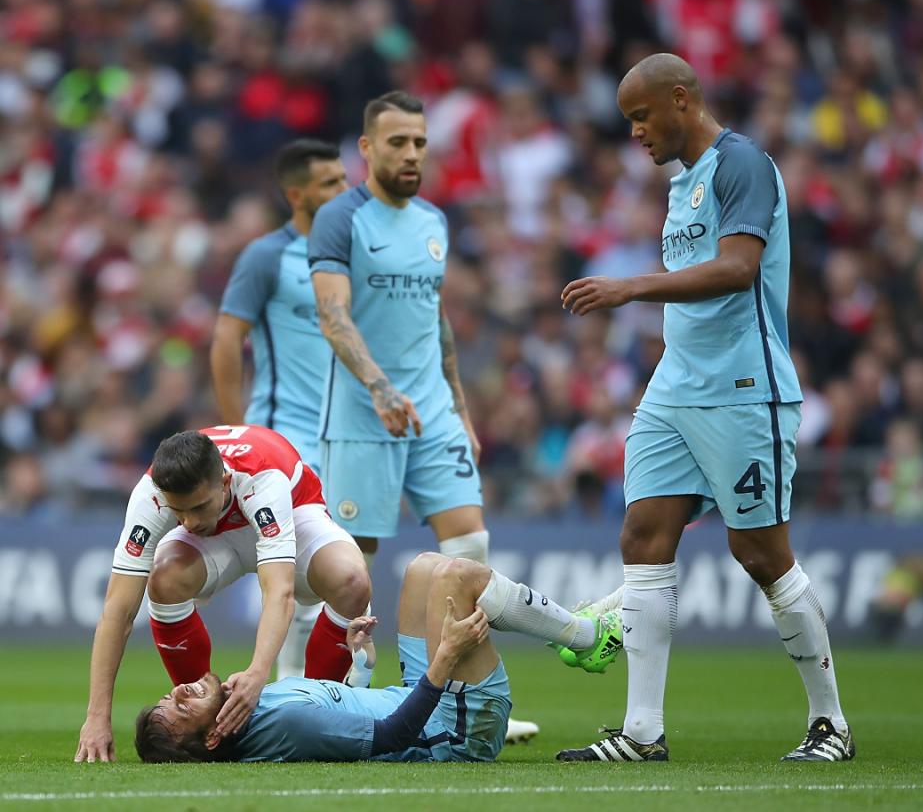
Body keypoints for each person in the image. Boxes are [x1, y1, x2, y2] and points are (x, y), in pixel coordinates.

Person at [554, 54, 853, 764]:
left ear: (680, 101)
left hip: (745, 388)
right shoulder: (682, 181)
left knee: (760, 552)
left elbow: (738, 268)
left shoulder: (740, 164)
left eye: (641, 117)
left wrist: (631, 288)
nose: (635, 133)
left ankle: (830, 724)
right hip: (676, 386)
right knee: (643, 533)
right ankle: (642, 732)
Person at [308, 90, 538, 743]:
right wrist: (380, 388)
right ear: (368, 149)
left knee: (470, 544)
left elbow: (434, 321)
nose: (411, 154)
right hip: (362, 412)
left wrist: (458, 405)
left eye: (419, 143)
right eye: (398, 142)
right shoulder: (341, 219)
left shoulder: (434, 220)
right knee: (352, 566)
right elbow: (333, 315)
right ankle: (344, 689)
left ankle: (460, 691)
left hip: (432, 409)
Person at [133, 554, 623, 763]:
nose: (177, 689)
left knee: (422, 570)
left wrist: (361, 668)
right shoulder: (283, 719)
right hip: (459, 731)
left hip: (420, 698)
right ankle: (585, 637)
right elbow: (392, 736)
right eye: (180, 708)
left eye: (167, 695)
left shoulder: (255, 701)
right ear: (215, 734)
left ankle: (578, 633)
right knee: (457, 577)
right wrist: (446, 657)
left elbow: (350, 718)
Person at [75, 424, 371, 763]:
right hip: (217, 539)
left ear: (225, 482)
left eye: (197, 507)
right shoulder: (151, 496)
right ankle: (204, 723)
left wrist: (257, 675)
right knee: (164, 577)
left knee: (351, 580)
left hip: (293, 516)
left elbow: (279, 592)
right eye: (178, 510)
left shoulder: (262, 478)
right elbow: (118, 611)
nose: (187, 522)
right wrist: (97, 716)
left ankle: (313, 709)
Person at [210, 139, 350, 680]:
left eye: (345, 179)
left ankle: (336, 692)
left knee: (344, 567)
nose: (345, 191)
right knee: (295, 566)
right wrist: (234, 434)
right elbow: (227, 339)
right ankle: (293, 690)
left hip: (348, 436)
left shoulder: (350, 254)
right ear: (298, 193)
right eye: (331, 183)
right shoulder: (267, 255)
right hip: (285, 434)